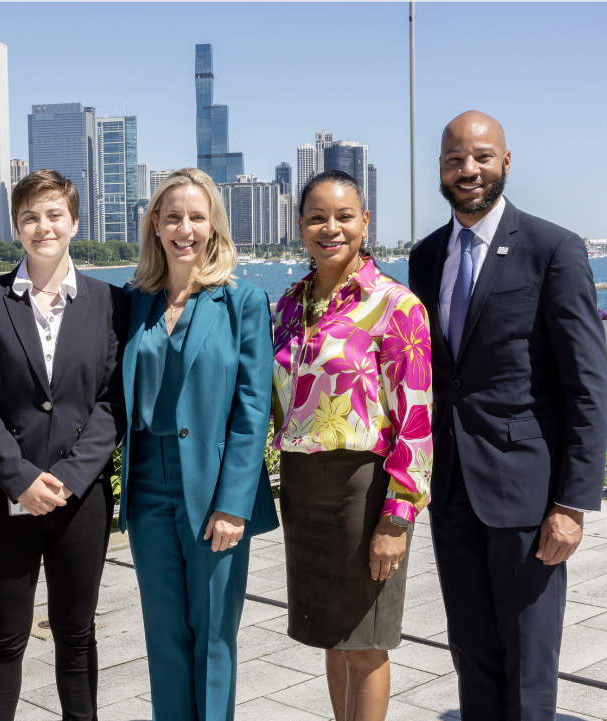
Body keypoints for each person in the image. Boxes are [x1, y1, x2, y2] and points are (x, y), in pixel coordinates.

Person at [408, 111, 607, 720]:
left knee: (528, 664)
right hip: (452, 494)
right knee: (471, 653)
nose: (467, 169)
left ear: (506, 161)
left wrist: (572, 504)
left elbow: (588, 385)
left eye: (481, 156)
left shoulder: (554, 249)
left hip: (528, 497)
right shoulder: (426, 257)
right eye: (453, 159)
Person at [0, 169, 127, 720]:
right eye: (30, 216)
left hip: (82, 499)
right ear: (16, 228)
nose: (42, 226)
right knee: (5, 633)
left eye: (54, 214)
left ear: (74, 222)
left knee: (77, 633)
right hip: (4, 499)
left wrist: (70, 478)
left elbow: (112, 402)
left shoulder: (110, 302)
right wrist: (20, 477)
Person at [271, 170, 432, 721]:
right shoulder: (290, 306)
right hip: (301, 489)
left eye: (344, 216)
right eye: (317, 216)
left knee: (366, 643)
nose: (330, 228)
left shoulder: (395, 305)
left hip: (362, 490)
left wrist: (397, 518)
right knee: (334, 638)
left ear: (365, 222)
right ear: (300, 226)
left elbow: (416, 417)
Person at [119, 167, 278, 720]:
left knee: (212, 636)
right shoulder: (132, 301)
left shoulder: (243, 301)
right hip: (145, 486)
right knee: (163, 635)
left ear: (213, 225)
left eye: (195, 216)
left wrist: (235, 503)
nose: (183, 228)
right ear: (155, 226)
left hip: (215, 487)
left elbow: (254, 407)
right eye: (172, 217)